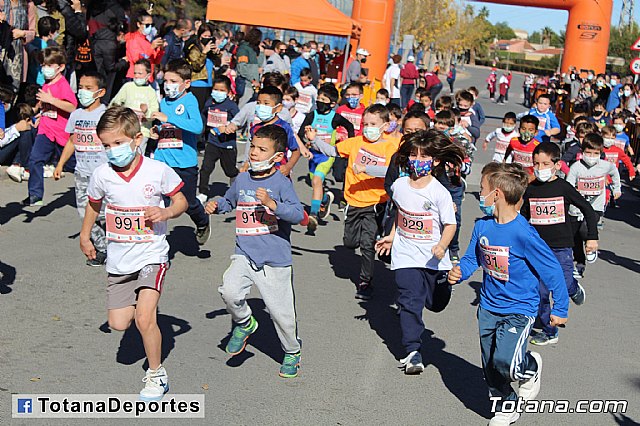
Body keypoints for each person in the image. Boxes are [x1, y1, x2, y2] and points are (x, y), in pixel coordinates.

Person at [448, 162, 569, 426]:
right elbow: (473, 258)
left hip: (519, 308)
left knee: (507, 362)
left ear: (497, 195)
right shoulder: (483, 227)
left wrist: (560, 309)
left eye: (482, 190)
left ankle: (530, 368)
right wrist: (461, 271)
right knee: (490, 364)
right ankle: (506, 406)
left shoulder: (523, 234)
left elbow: (552, 271)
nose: (480, 195)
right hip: (489, 306)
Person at [81, 106, 187, 400]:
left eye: (117, 143)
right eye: (106, 145)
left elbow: (181, 200)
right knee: (119, 323)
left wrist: (166, 211)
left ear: (136, 139)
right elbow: (93, 204)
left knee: (144, 318)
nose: (112, 150)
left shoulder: (157, 170)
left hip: (152, 254)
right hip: (119, 258)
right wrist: (85, 234)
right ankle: (143, 309)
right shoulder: (102, 174)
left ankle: (156, 374)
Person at [204, 125, 305, 378]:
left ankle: (292, 351)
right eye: (253, 147)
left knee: (282, 315)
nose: (254, 153)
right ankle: (245, 321)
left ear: (277, 157)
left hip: (275, 259)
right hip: (244, 253)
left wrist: (272, 204)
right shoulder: (242, 179)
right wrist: (217, 205)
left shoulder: (281, 183)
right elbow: (230, 200)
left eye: (262, 149)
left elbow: (297, 214)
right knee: (229, 291)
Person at [375, 130, 462, 374]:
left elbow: (451, 224)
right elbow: (401, 213)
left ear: (435, 161)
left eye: (423, 156)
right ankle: (413, 350)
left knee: (435, 303)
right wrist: (392, 237)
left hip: (434, 257)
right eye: (413, 155)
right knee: (409, 299)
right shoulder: (399, 185)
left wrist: (442, 246)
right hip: (405, 254)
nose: (416, 160)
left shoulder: (439, 192)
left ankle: (444, 286)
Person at [310, 104, 401, 299]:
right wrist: (314, 140)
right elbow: (332, 151)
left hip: (376, 202)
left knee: (367, 244)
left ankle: (365, 281)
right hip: (352, 200)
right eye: (365, 123)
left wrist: (368, 169)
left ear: (384, 126)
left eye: (373, 124)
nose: (368, 127)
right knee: (350, 243)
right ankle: (364, 239)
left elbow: (391, 172)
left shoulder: (391, 147)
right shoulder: (354, 142)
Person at [521, 142, 597, 346]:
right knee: (541, 292)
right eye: (536, 163)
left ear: (557, 164)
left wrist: (592, 237)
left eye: (545, 163)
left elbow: (587, 209)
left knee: (562, 284)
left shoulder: (563, 187)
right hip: (538, 249)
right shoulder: (531, 189)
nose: (540, 168)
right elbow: (523, 217)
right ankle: (549, 329)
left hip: (562, 247)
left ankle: (573, 288)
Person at [149, 59, 211, 245]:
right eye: (166, 81)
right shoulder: (164, 101)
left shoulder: (189, 100)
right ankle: (155, 239)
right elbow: (165, 126)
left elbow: (197, 126)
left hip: (184, 162)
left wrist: (169, 118)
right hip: (163, 160)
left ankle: (202, 222)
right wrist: (157, 131)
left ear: (187, 83)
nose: (169, 85)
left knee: (188, 203)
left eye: (174, 81)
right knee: (160, 201)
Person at [53, 72, 109, 265]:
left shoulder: (105, 115)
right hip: (82, 173)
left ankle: (117, 243)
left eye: (88, 88)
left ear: (100, 92)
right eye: (81, 88)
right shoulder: (76, 115)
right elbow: (71, 141)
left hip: (103, 173)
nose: (82, 92)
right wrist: (60, 164)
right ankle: (102, 248)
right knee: (84, 213)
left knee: (105, 212)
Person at [24, 46, 77, 207]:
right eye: (43, 65)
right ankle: (35, 194)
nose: (45, 69)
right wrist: (41, 114)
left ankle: (95, 188)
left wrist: (52, 100)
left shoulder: (62, 85)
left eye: (48, 65)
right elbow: (46, 106)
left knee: (73, 165)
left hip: (62, 133)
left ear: (60, 67)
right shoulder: (46, 84)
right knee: (35, 159)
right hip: (46, 130)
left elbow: (72, 107)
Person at [299, 83, 354, 232]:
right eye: (319, 99)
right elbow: (299, 134)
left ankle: (313, 214)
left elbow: (349, 126)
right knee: (314, 183)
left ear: (332, 103)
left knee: (317, 180)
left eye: (324, 99)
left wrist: (350, 144)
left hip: (327, 155)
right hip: (313, 155)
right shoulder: (312, 115)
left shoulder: (335, 117)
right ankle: (324, 199)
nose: (320, 102)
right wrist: (304, 145)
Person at [566, 133, 621, 278]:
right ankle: (580, 263)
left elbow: (615, 173)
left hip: (595, 205)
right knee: (575, 236)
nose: (591, 156)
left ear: (601, 153)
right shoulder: (576, 167)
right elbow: (568, 186)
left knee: (585, 229)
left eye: (595, 153)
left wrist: (616, 189)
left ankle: (590, 245)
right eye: (588, 152)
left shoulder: (605, 166)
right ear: (582, 152)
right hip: (576, 208)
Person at [197, 75, 239, 202]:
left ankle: (235, 182)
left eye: (222, 90)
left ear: (228, 92)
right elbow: (204, 115)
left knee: (230, 170)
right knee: (206, 168)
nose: (218, 93)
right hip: (212, 142)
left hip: (227, 144)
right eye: (216, 89)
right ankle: (203, 192)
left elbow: (239, 121)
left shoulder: (231, 106)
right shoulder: (209, 102)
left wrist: (227, 126)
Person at [109, 59, 160, 155]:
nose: (136, 76)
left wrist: (146, 112)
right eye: (135, 73)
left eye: (140, 73)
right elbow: (115, 103)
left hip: (142, 131)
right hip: (125, 130)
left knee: (137, 156)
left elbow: (154, 113)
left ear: (148, 75)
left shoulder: (151, 92)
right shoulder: (128, 87)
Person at [125, 13, 164, 84]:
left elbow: (155, 61)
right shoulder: (133, 39)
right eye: (147, 25)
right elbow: (137, 60)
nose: (149, 28)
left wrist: (161, 49)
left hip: (148, 77)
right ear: (139, 24)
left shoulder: (146, 41)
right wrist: (151, 48)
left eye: (152, 25)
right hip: (137, 77)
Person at [26, 15, 59, 86]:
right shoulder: (47, 46)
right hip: (42, 82)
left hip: (30, 79)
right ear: (50, 32)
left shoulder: (32, 41)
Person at [235, 28, 262, 108]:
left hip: (252, 84)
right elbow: (242, 68)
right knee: (242, 106)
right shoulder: (243, 49)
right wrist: (253, 80)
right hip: (246, 84)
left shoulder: (251, 49)